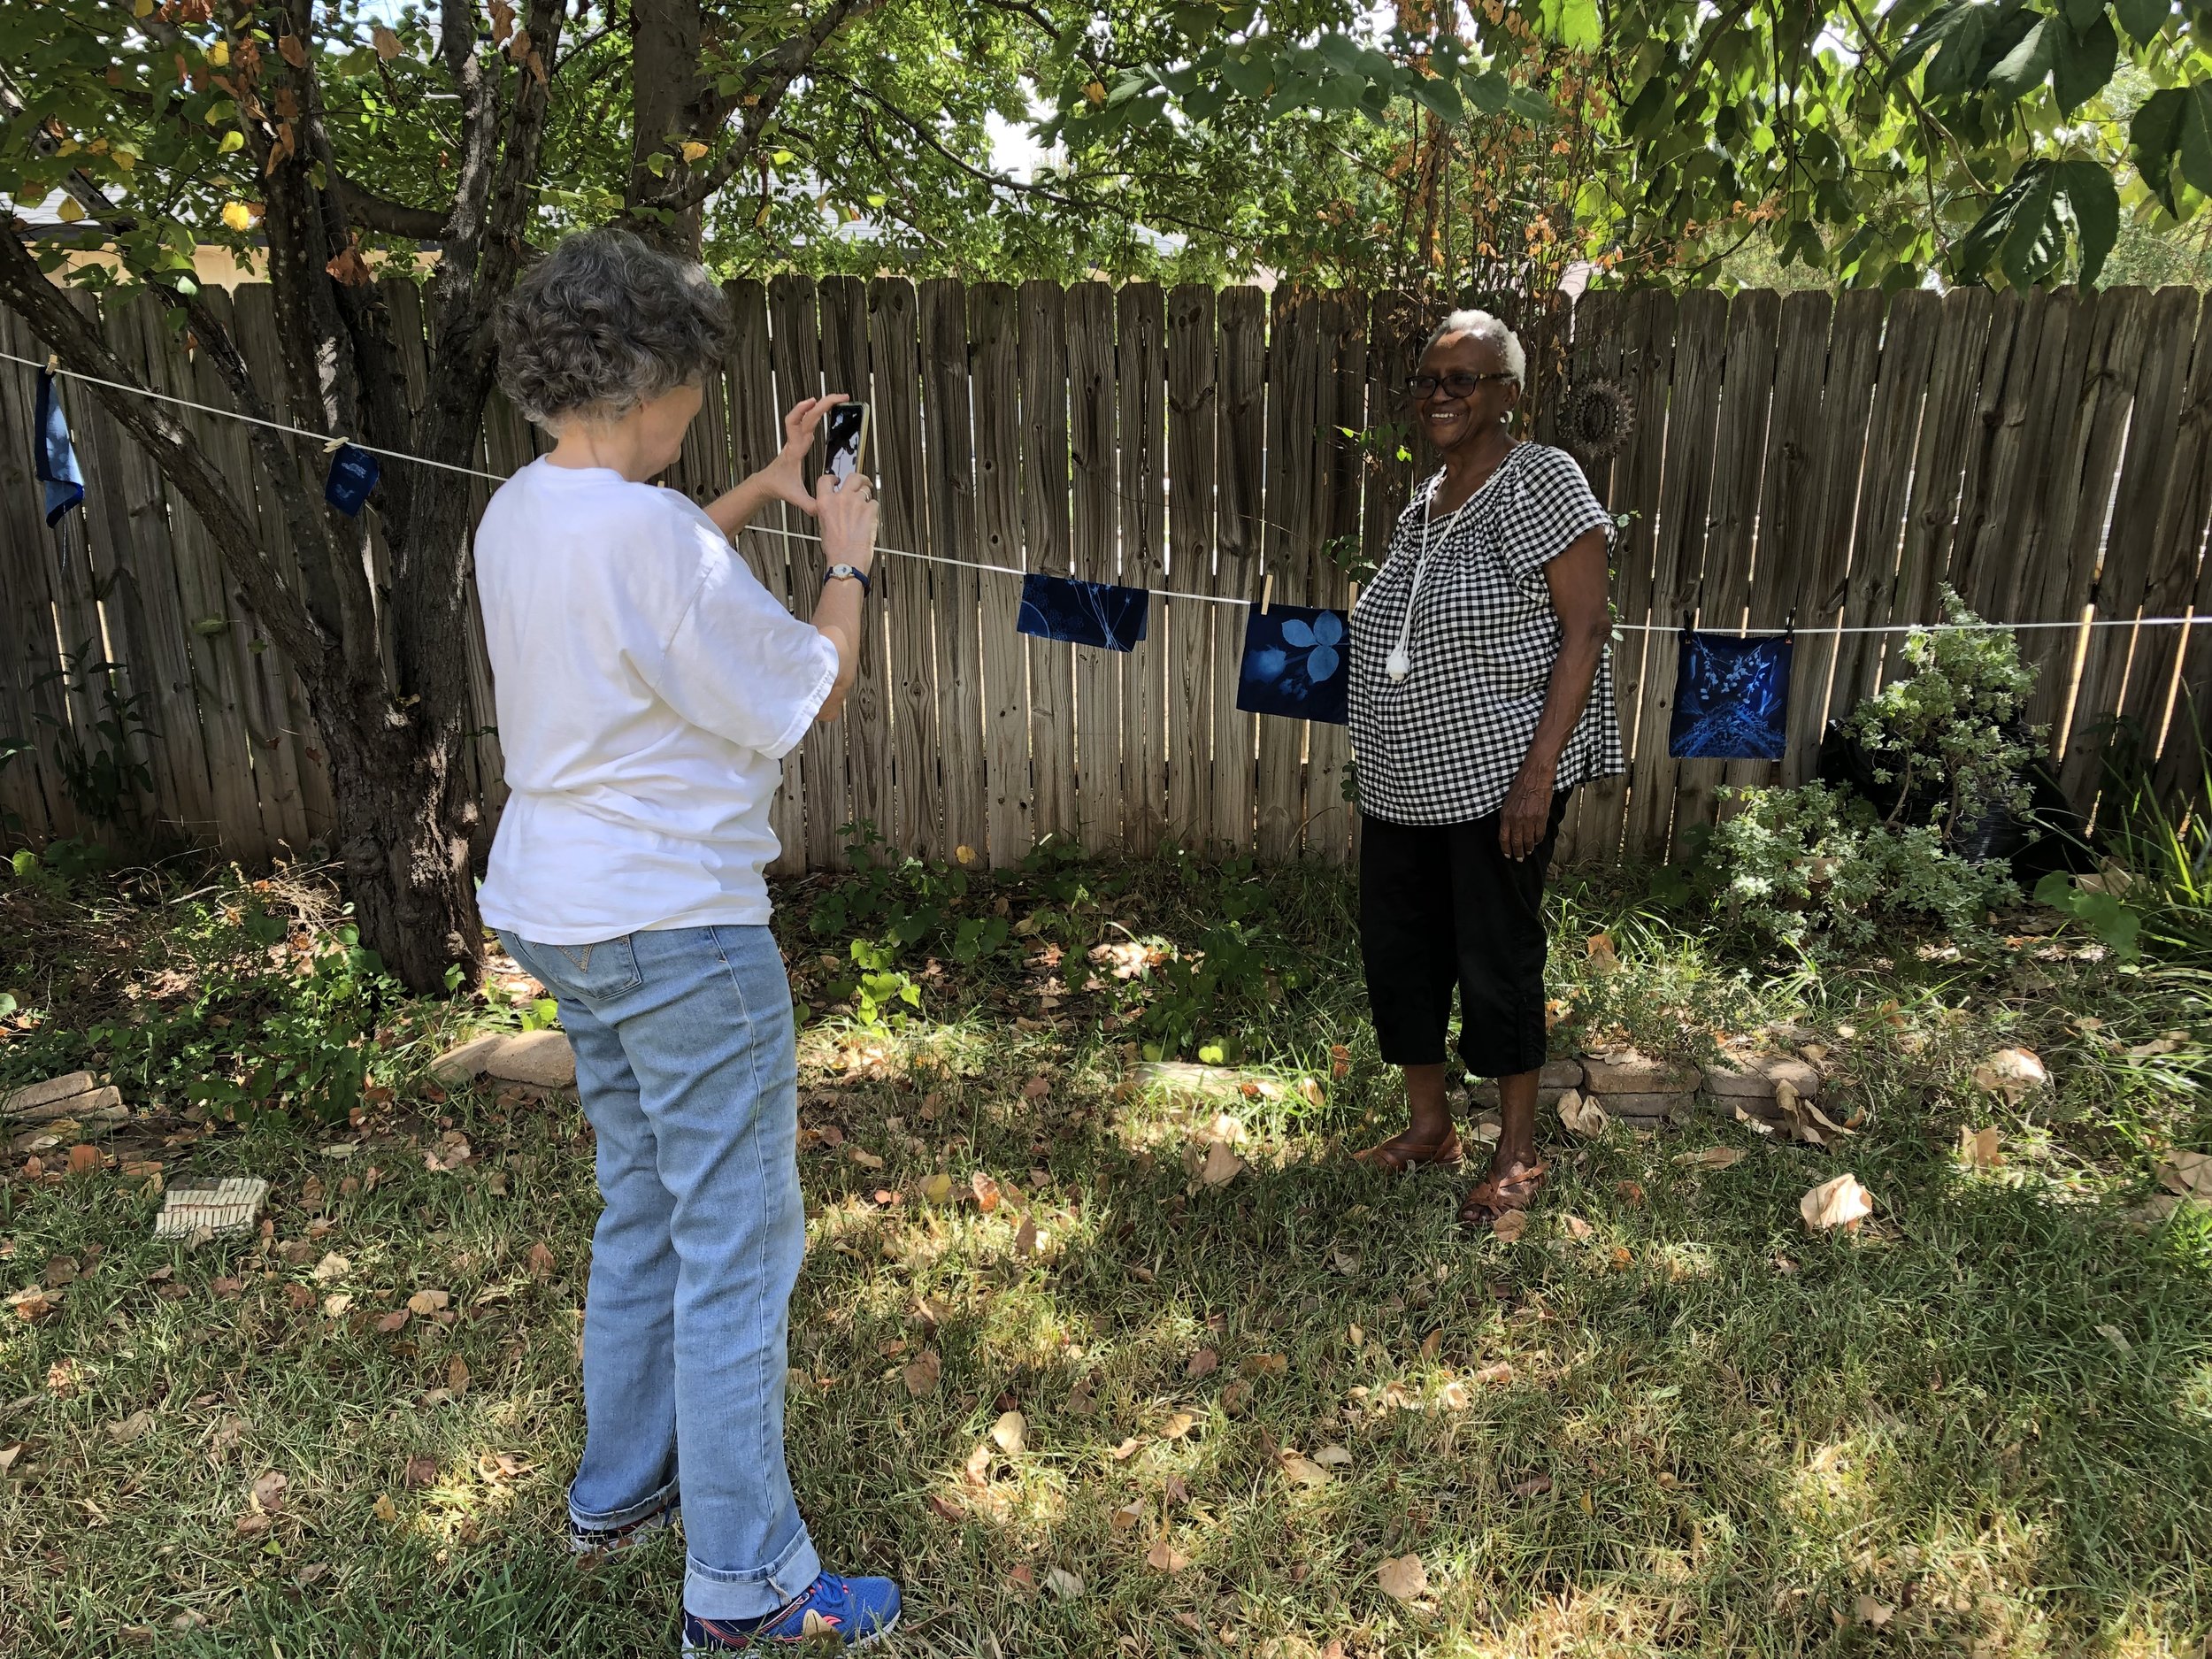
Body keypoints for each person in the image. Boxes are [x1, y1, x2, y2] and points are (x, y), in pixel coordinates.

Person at [472, 227, 899, 1651]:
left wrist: (768, 488)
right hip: (679, 928)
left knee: (645, 1198)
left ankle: (621, 1487)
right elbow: (811, 688)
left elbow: (655, 572)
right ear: (652, 380)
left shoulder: (524, 508)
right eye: (696, 387)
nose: (700, 408)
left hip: (567, 914)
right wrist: (844, 557)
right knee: (738, 1238)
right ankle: (747, 1584)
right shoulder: (646, 537)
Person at [1344, 308, 1621, 1232]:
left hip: (1497, 778)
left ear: (1507, 392)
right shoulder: (1425, 500)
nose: (1439, 393)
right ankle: (1430, 1129)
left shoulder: (1539, 478)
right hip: (1400, 783)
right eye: (1427, 377)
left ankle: (1515, 1151)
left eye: (1463, 378)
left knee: (1494, 957)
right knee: (1400, 952)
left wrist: (1538, 775)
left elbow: (1585, 630)